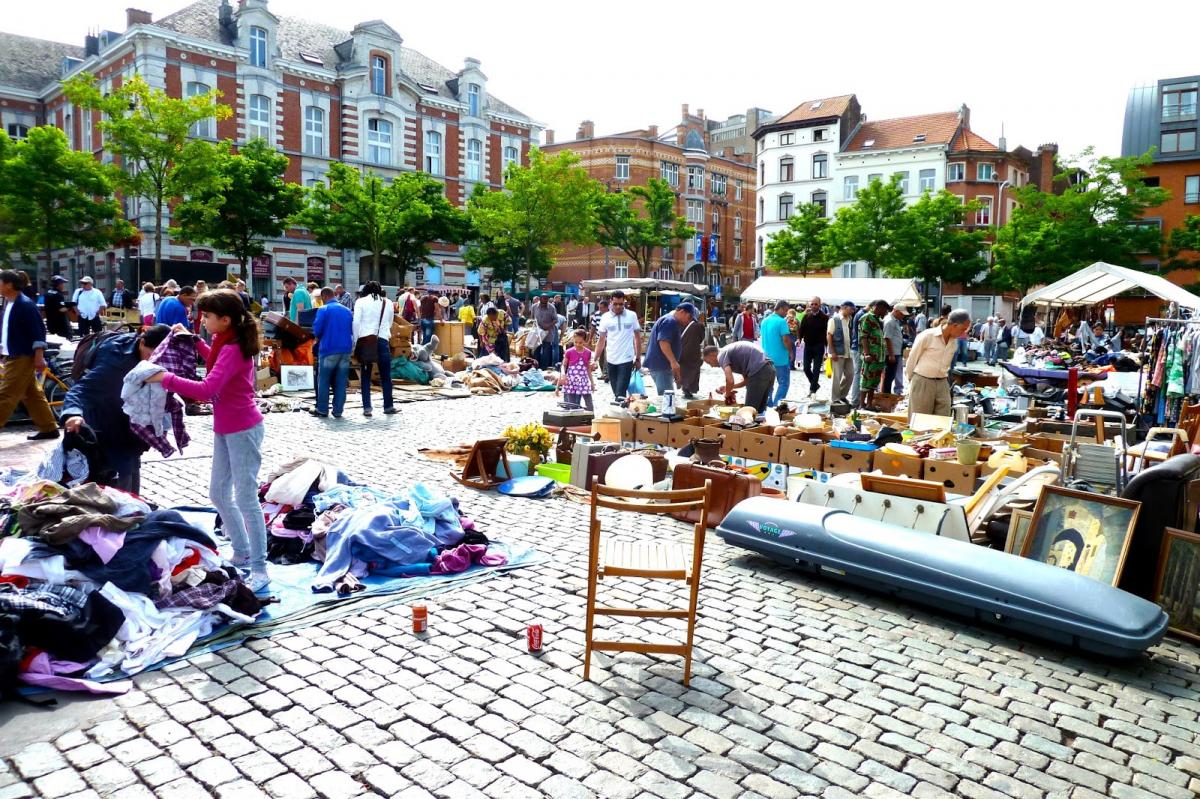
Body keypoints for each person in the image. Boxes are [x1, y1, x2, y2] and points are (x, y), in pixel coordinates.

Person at [144, 289, 271, 593]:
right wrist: (192, 339)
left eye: (208, 317)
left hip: (243, 428)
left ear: (225, 320)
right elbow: (214, 361)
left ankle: (260, 567)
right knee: (218, 493)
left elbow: (205, 388)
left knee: (246, 498)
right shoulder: (223, 340)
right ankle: (241, 551)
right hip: (226, 427)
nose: (202, 321)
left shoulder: (233, 347)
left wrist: (164, 377)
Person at [61, 324, 171, 493]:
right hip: (106, 418)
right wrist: (73, 413)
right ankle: (122, 511)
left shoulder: (142, 351)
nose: (153, 361)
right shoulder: (117, 361)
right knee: (120, 468)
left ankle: (134, 506)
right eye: (151, 355)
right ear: (142, 343)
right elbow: (82, 389)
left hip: (129, 419)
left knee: (132, 462)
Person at [0, 270, 59, 439]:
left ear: (9, 284)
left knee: (6, 395)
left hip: (22, 356)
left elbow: (38, 332)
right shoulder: (9, 303)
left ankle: (49, 428)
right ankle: (49, 428)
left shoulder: (25, 305)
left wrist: (39, 356)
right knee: (32, 394)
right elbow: (8, 331)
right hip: (14, 354)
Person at [906, 309, 972, 417]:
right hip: (923, 381)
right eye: (963, 329)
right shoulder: (927, 336)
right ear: (954, 325)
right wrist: (913, 383)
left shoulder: (953, 342)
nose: (963, 333)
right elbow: (912, 359)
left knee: (943, 419)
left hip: (942, 383)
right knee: (920, 420)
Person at [352, 282, 396, 417]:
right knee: (385, 375)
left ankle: (367, 407)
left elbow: (356, 322)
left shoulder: (360, 302)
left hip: (366, 341)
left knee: (366, 375)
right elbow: (390, 322)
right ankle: (388, 406)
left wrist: (356, 340)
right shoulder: (388, 302)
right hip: (382, 340)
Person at [311, 287, 354, 419]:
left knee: (323, 379)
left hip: (328, 349)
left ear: (324, 297)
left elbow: (317, 329)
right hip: (345, 349)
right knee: (341, 381)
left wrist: (317, 339)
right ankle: (338, 410)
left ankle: (323, 409)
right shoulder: (347, 311)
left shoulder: (323, 309)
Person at [703, 342, 776, 413]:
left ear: (711, 355)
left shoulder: (721, 355)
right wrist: (727, 388)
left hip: (760, 371)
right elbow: (746, 381)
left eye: (708, 362)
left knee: (748, 411)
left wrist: (727, 395)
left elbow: (730, 380)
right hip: (769, 370)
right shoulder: (729, 352)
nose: (711, 366)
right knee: (758, 410)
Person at [595, 291, 641, 399]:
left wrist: (638, 358)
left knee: (620, 393)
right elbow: (601, 340)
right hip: (611, 359)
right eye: (615, 304)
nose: (618, 306)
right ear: (611, 302)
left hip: (626, 359)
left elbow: (637, 338)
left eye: (621, 304)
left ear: (624, 302)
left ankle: (619, 412)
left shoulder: (632, 315)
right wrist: (595, 359)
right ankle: (621, 412)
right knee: (616, 391)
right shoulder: (605, 317)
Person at [643, 303, 696, 395]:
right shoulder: (669, 321)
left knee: (667, 396)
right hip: (661, 365)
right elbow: (663, 342)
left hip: (661, 365)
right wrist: (673, 362)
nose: (689, 321)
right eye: (689, 317)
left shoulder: (671, 321)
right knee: (668, 397)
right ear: (682, 312)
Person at [760, 300, 794, 406]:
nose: (786, 313)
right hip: (780, 359)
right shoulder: (781, 321)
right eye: (786, 311)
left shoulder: (764, 321)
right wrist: (791, 352)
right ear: (781, 308)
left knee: (768, 385)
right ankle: (776, 405)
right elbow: (786, 340)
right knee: (783, 383)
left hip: (766, 358)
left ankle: (768, 405)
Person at [857, 300, 889, 410]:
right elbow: (863, 337)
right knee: (866, 381)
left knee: (874, 383)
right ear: (878, 308)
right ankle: (862, 405)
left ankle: (869, 404)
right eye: (885, 310)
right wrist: (866, 354)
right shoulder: (867, 318)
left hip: (879, 358)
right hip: (871, 357)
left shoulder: (878, 320)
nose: (886, 312)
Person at [797, 296, 828, 396]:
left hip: (819, 346)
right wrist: (799, 339)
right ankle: (815, 385)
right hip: (808, 345)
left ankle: (812, 389)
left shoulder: (825, 317)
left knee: (816, 369)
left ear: (820, 304)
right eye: (812, 304)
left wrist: (827, 348)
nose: (814, 306)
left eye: (816, 304)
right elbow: (801, 329)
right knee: (806, 368)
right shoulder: (807, 316)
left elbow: (827, 333)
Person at [559, 329, 597, 411]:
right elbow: (564, 365)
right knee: (572, 404)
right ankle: (574, 419)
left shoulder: (588, 353)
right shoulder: (569, 352)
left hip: (583, 380)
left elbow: (588, 368)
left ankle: (591, 417)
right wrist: (563, 375)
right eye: (575, 342)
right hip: (571, 380)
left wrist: (592, 383)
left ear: (585, 341)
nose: (577, 344)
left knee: (588, 400)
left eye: (580, 342)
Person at [826, 301, 855, 404]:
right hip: (837, 352)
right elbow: (829, 335)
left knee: (850, 374)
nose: (852, 311)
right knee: (836, 377)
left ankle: (842, 395)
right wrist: (832, 352)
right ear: (844, 308)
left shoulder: (849, 320)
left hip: (848, 352)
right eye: (851, 309)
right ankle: (835, 398)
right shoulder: (834, 320)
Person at [679, 309, 704, 399]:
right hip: (694, 352)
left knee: (685, 370)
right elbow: (701, 338)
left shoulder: (682, 323)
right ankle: (690, 388)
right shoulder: (699, 325)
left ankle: (684, 387)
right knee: (693, 371)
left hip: (682, 350)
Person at [882, 305, 908, 394]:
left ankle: (887, 394)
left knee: (891, 376)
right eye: (901, 313)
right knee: (889, 377)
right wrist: (891, 354)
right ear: (896, 311)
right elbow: (887, 338)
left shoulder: (895, 320)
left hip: (896, 352)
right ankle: (886, 395)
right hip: (892, 353)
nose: (903, 316)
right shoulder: (890, 321)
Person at [847, 303, 867, 406]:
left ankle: (856, 399)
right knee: (858, 374)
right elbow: (861, 336)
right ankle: (855, 400)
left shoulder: (860, 314)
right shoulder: (862, 315)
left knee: (858, 374)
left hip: (857, 348)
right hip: (858, 348)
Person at [532, 294, 559, 369]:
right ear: (539, 299)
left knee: (546, 352)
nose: (544, 304)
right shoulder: (534, 306)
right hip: (537, 333)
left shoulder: (552, 307)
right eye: (542, 302)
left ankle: (544, 368)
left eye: (546, 302)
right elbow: (532, 318)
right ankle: (536, 367)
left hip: (548, 332)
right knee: (536, 351)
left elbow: (556, 320)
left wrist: (548, 325)